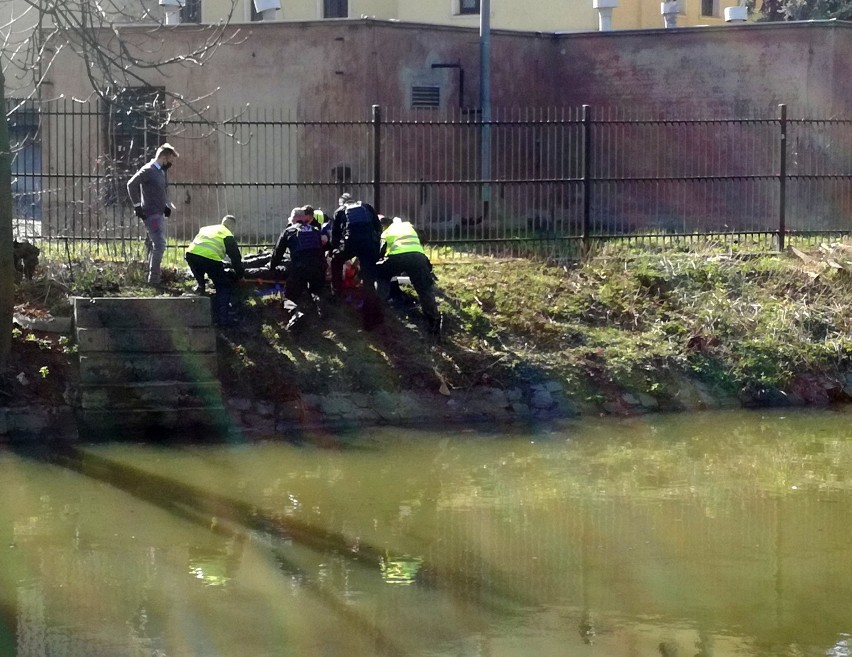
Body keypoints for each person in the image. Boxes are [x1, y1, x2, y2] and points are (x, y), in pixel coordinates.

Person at [377, 215, 441, 336]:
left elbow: (381, 251)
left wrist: (380, 261)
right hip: (418, 257)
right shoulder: (408, 226)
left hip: (397, 257)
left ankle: (379, 307)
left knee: (382, 275)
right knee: (424, 289)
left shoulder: (386, 232)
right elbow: (423, 238)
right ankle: (434, 322)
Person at [126, 143, 179, 287]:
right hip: (151, 214)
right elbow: (131, 184)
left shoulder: (160, 172)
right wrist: (137, 206)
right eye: (170, 160)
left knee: (154, 244)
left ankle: (151, 276)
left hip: (159, 213)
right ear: (163, 157)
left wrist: (166, 206)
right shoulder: (148, 170)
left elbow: (160, 192)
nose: (170, 164)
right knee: (160, 245)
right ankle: (154, 279)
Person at [270, 207, 327, 331]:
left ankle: (295, 313)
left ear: (293, 218)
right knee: (316, 291)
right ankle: (323, 313)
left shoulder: (288, 231)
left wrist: (272, 266)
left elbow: (277, 253)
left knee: (288, 296)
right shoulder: (315, 230)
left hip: (299, 268)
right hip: (318, 267)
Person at [185, 215, 244, 327]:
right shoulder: (227, 234)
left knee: (200, 277)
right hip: (210, 259)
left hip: (191, 255)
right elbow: (235, 257)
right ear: (232, 226)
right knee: (223, 286)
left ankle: (201, 287)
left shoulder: (206, 228)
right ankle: (223, 320)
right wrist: (240, 274)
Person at [329, 193, 383, 298]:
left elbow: (335, 234)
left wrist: (335, 249)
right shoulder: (366, 206)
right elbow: (378, 227)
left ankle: (337, 292)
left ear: (341, 203)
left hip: (351, 243)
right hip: (368, 243)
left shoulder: (340, 211)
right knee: (368, 269)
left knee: (336, 260)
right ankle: (370, 298)